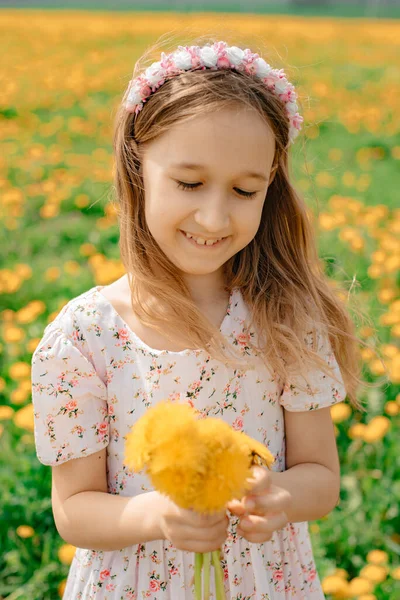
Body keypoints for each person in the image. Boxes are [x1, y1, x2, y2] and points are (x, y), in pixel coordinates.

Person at [31, 38, 367, 600]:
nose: (215, 216)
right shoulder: (83, 339)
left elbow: (321, 477)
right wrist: (158, 515)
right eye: (190, 183)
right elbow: (74, 509)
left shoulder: (285, 317)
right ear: (137, 169)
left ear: (270, 189)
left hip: (264, 584)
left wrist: (280, 497)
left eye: (244, 190)